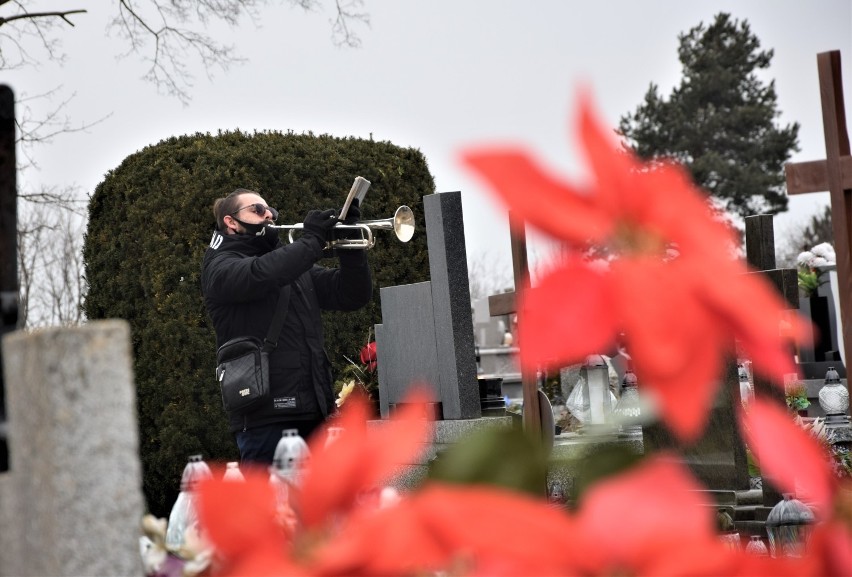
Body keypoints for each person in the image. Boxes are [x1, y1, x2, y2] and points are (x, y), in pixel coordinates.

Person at [201, 188, 372, 465]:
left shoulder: (290, 265)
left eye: (271, 211)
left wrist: (349, 239)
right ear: (230, 221)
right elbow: (262, 273)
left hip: (315, 412)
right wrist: (313, 239)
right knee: (272, 508)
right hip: (264, 419)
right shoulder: (220, 266)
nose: (268, 215)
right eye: (257, 210)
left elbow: (351, 294)